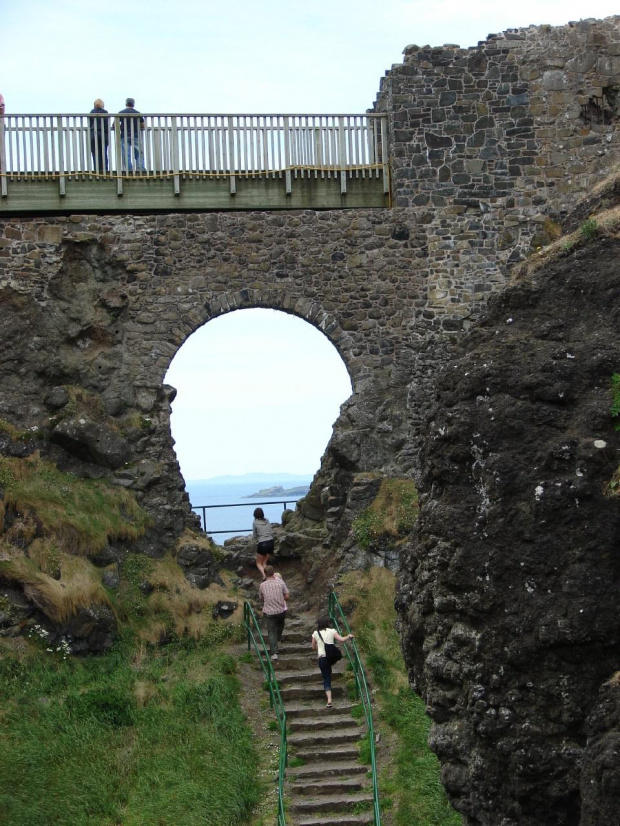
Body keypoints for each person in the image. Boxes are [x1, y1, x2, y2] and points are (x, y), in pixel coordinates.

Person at [311, 615, 353, 708]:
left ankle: (329, 700)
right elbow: (341, 639)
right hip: (331, 657)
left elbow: (313, 647)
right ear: (327, 623)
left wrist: (319, 646)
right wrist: (349, 636)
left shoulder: (315, 633)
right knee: (328, 672)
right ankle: (329, 697)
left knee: (326, 677)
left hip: (322, 658)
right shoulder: (332, 631)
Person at [259, 565, 289, 660]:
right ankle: (278, 639)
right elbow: (287, 595)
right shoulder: (280, 583)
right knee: (280, 625)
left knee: (271, 632)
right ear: (273, 572)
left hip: (268, 612)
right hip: (281, 610)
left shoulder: (262, 585)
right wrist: (281, 599)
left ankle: (274, 653)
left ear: (265, 573)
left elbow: (261, 598)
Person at [118, 97, 145, 172]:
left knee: (126, 153)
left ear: (126, 104)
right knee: (139, 152)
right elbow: (143, 125)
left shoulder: (121, 113)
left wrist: (121, 127)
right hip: (136, 135)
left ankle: (129, 169)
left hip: (124, 135)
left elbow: (115, 124)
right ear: (133, 104)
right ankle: (141, 168)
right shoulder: (137, 113)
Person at [252, 507, 274, 579]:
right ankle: (270, 576)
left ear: (255, 515)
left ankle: (265, 576)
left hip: (263, 543)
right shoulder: (267, 520)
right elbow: (270, 531)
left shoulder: (255, 522)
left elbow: (255, 535)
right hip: (271, 542)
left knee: (258, 563)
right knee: (264, 562)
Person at [89, 99, 110, 173]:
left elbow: (90, 123)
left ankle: (97, 170)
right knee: (103, 152)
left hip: (93, 134)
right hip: (103, 134)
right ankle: (104, 169)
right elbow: (107, 124)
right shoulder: (105, 112)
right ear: (102, 105)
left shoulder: (91, 112)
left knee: (95, 153)